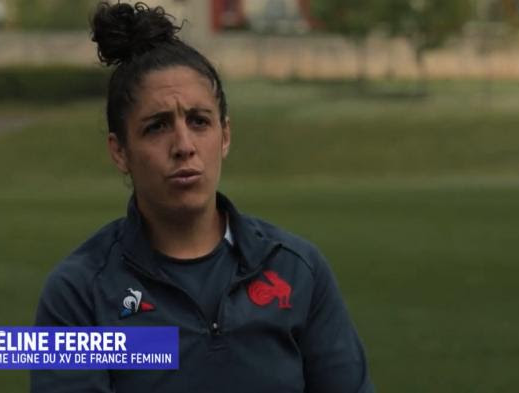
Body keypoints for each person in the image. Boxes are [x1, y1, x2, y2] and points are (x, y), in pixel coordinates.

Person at [31, 2, 374, 392]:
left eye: (199, 121)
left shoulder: (298, 271)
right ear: (119, 151)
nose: (184, 145)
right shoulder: (80, 293)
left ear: (224, 136)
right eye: (157, 126)